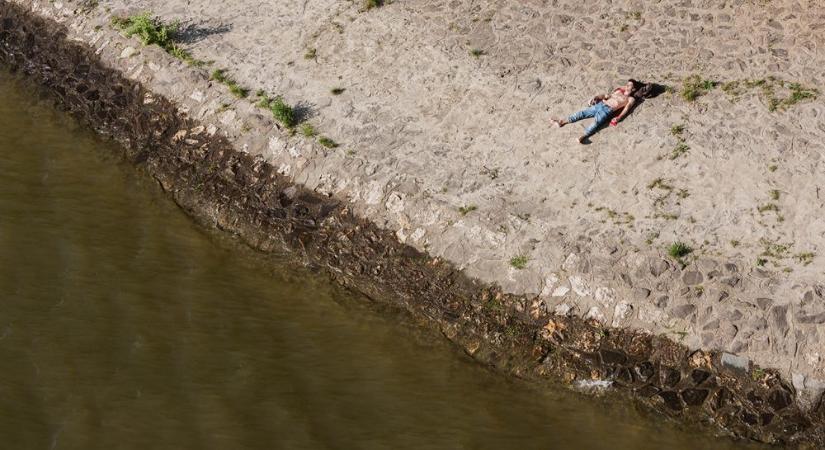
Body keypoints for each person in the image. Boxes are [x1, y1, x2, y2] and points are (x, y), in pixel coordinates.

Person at [550, 79, 641, 144]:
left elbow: (626, 109)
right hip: (601, 104)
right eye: (627, 84)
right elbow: (605, 95)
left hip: (608, 110)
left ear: (633, 89)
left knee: (596, 123)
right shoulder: (619, 91)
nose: (627, 86)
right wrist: (596, 97)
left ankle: (583, 136)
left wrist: (618, 118)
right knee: (582, 113)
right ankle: (561, 122)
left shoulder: (630, 99)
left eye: (629, 85)